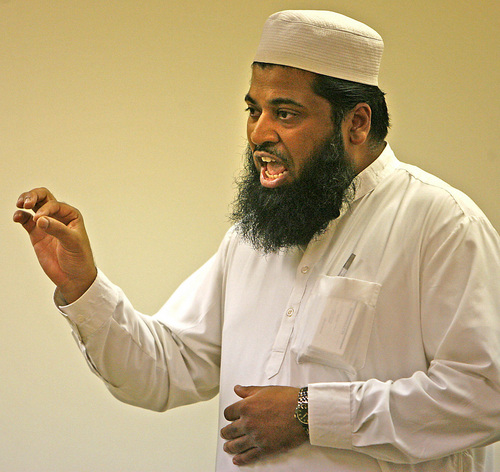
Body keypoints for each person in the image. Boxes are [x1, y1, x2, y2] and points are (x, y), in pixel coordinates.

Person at [13, 10, 500, 472]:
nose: (258, 133)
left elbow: (485, 394)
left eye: (285, 114)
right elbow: (163, 370)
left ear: (357, 123)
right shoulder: (251, 239)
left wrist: (312, 414)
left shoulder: (441, 224)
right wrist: (83, 287)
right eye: (254, 110)